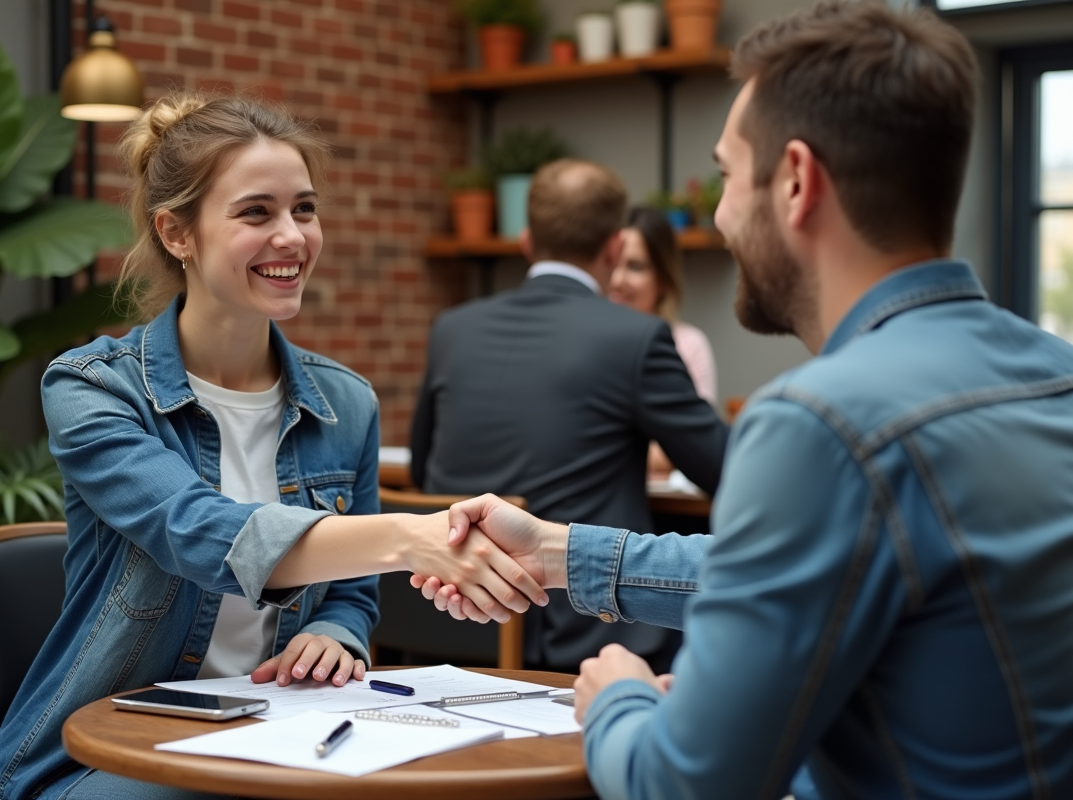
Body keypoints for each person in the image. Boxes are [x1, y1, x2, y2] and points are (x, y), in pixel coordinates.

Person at [413, 2, 1073, 797]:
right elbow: (810, 573)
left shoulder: (820, 422)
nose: (720, 215)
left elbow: (681, 785)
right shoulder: (1054, 370)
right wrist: (558, 554)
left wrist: (619, 697)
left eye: (726, 175)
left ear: (795, 181)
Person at [0, 93, 544, 800]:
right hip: (100, 757)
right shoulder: (94, 388)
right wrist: (409, 537)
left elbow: (352, 593)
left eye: (304, 209)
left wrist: (336, 634)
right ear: (177, 234)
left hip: (279, 737)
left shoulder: (346, 403)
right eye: (256, 213)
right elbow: (200, 531)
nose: (293, 237)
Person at [409, 158, 730, 673]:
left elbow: (422, 470)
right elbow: (723, 470)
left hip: (447, 627)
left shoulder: (453, 328)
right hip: (582, 641)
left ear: (526, 242)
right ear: (615, 248)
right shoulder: (635, 337)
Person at [609, 205, 719, 476]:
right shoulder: (587, 344)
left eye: (635, 266)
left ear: (663, 279)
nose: (617, 280)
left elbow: (693, 448)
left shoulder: (689, 345)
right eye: (612, 264)